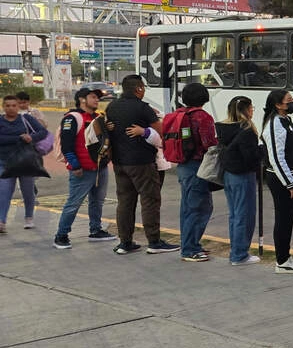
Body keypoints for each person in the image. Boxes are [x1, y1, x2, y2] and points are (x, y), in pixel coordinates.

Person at [105, 75, 178, 255]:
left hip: (120, 163)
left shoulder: (112, 106)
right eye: (143, 87)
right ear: (138, 88)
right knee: (150, 200)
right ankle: (154, 241)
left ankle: (125, 242)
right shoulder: (142, 108)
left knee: (125, 202)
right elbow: (161, 132)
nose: (144, 90)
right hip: (142, 162)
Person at [52, 87, 117, 249]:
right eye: (93, 97)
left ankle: (96, 230)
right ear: (82, 99)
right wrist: (74, 165)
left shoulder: (97, 118)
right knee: (74, 203)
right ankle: (61, 235)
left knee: (97, 201)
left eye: (97, 98)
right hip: (82, 169)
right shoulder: (72, 118)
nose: (97, 100)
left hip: (100, 167)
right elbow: (67, 145)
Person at [170, 83, 218, 262]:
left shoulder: (180, 114)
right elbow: (209, 144)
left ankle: (191, 244)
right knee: (199, 207)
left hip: (183, 165)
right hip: (198, 166)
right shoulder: (203, 117)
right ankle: (190, 249)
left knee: (188, 208)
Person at [262, 88, 293, 274]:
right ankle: (282, 260)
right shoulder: (274, 124)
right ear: (278, 104)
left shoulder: (286, 121)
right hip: (282, 178)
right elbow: (276, 157)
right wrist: (290, 184)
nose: (292, 103)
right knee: (283, 218)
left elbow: (292, 146)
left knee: (288, 219)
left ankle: (286, 256)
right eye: (289, 100)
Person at [216, 96, 262, 266]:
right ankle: (240, 254)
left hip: (228, 174)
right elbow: (250, 157)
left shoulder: (223, 128)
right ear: (246, 110)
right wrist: (261, 153)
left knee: (235, 214)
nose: (252, 111)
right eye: (251, 108)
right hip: (243, 175)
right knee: (245, 214)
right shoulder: (247, 130)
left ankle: (236, 250)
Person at [0, 94, 47, 234]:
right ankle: (1, 221)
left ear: (18, 106)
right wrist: (18, 138)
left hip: (25, 161)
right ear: (3, 107)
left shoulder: (26, 119)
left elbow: (43, 132)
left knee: (28, 191)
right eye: (7, 105)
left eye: (13, 105)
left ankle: (29, 217)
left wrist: (30, 137)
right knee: (4, 191)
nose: (11, 108)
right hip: (4, 162)